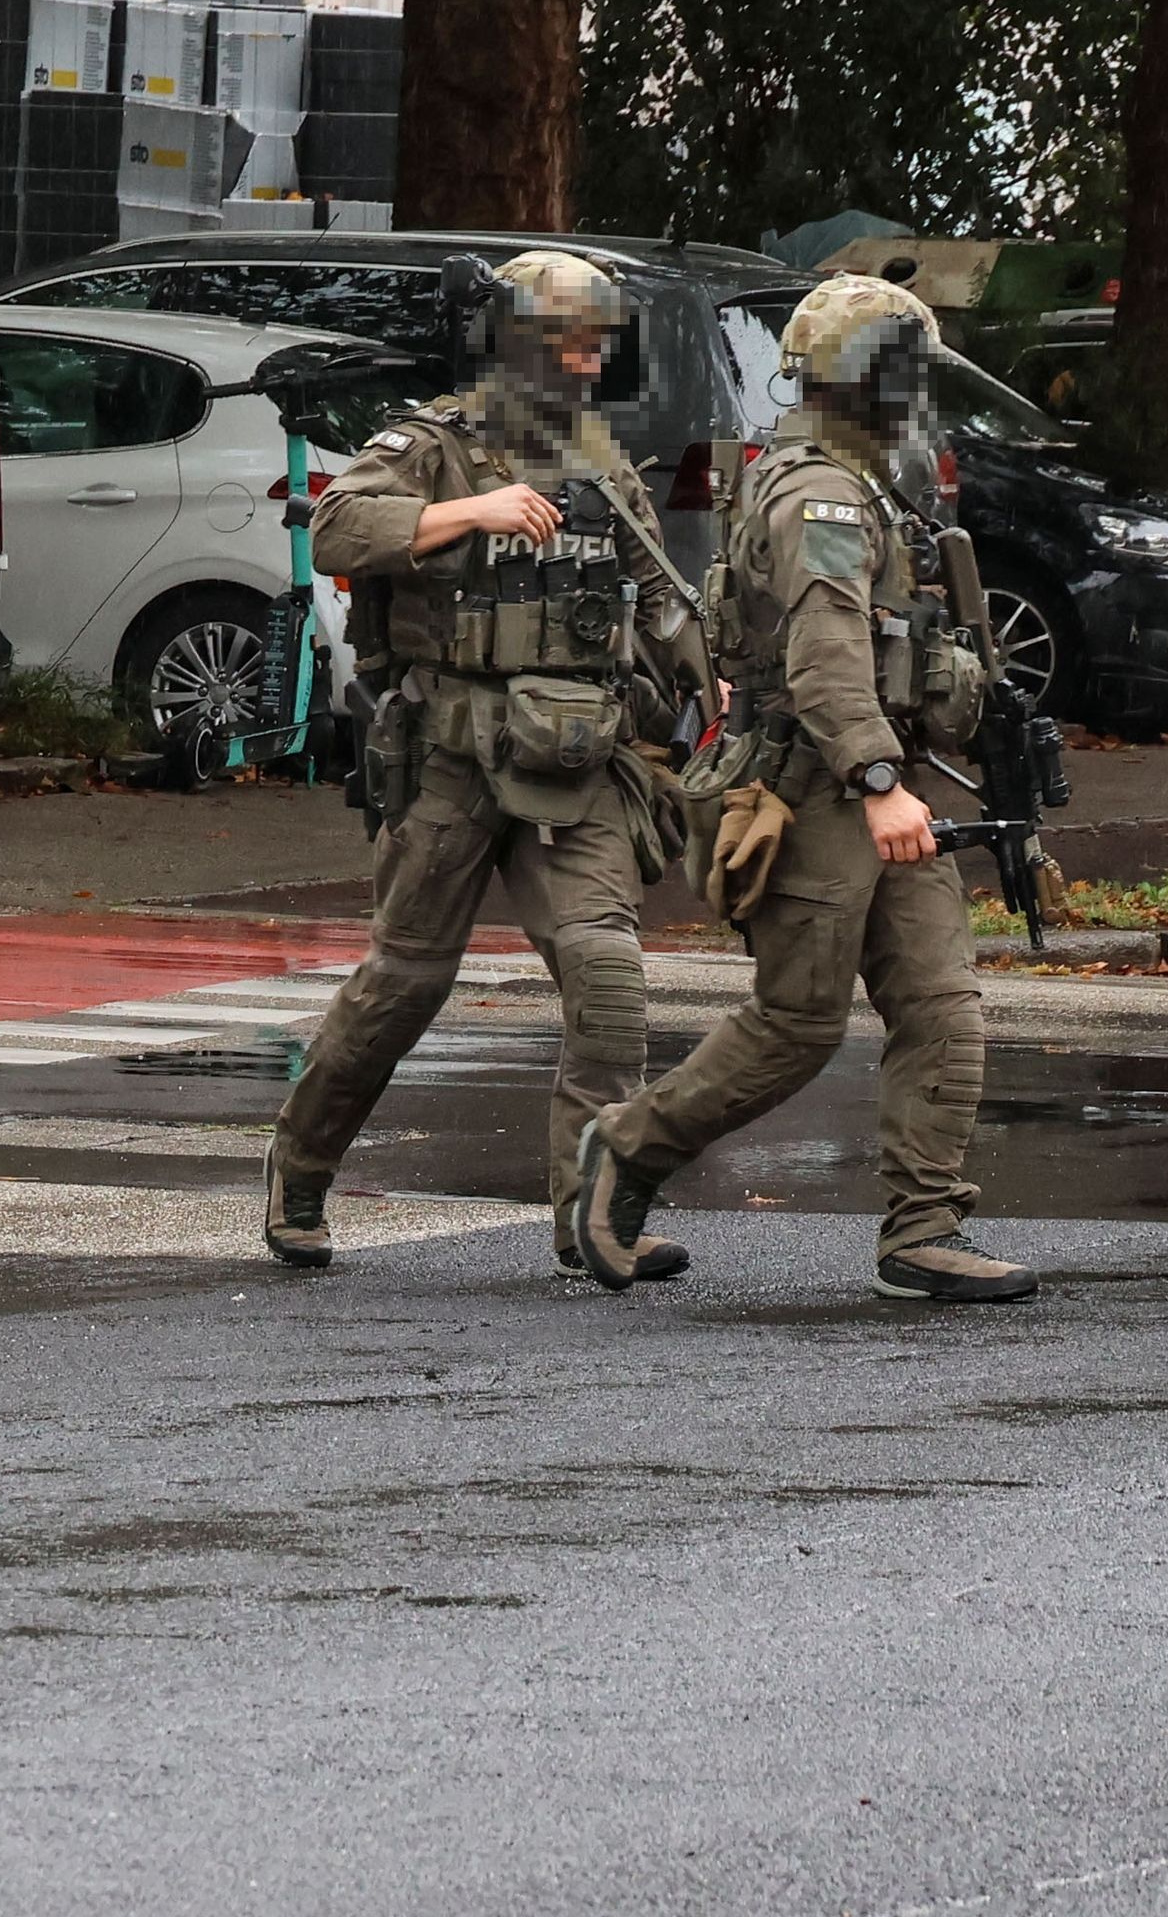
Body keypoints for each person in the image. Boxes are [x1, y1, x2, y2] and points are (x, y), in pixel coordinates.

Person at [558, 273, 1031, 1303]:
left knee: (941, 1003)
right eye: (907, 377)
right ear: (867, 377)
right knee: (797, 1022)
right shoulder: (816, 490)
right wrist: (875, 781)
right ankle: (628, 1149)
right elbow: (822, 655)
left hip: (876, 780)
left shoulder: (871, 481)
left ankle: (923, 1228)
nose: (919, 400)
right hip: (817, 790)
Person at [260, 250, 706, 1284]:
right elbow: (333, 526)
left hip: (575, 760)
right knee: (405, 982)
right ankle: (301, 1164)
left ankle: (590, 1213)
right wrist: (470, 511)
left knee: (606, 973)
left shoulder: (601, 459)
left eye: (599, 344)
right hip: (452, 756)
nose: (590, 362)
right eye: (573, 341)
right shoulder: (433, 443)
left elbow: (664, 594)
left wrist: (722, 683)